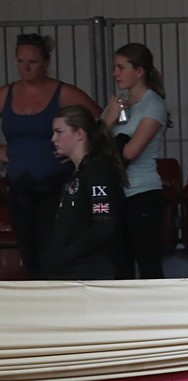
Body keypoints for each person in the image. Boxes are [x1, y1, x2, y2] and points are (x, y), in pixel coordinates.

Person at [0, 33, 102, 279]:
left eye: (33, 61)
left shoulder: (63, 92)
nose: (26, 67)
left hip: (55, 185)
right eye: (20, 61)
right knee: (28, 251)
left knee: (54, 249)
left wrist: (79, 152)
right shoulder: (6, 94)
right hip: (19, 186)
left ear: (46, 62)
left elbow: (100, 122)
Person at [102, 43, 169, 279]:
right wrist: (108, 120)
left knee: (149, 265)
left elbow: (131, 152)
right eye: (114, 67)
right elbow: (89, 147)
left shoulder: (154, 104)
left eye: (121, 68)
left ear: (139, 71)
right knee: (120, 266)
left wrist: (106, 143)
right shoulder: (117, 106)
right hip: (116, 194)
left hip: (142, 193)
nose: (115, 73)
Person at [42, 105, 126, 280]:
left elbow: (103, 225)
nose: (53, 138)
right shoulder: (76, 172)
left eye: (59, 132)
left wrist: (64, 256)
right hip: (68, 272)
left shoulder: (96, 171)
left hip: (87, 274)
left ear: (79, 134)